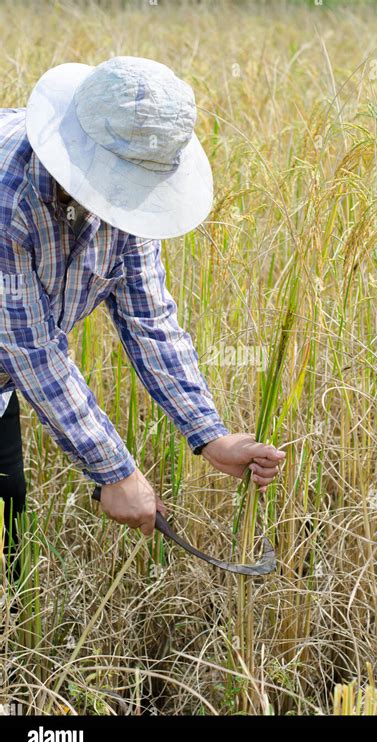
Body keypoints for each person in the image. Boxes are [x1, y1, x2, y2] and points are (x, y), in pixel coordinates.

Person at [0, 56, 285, 577]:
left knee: (4, 522)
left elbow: (149, 318)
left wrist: (211, 434)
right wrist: (116, 471)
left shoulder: (128, 196)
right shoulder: (7, 193)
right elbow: (29, 348)